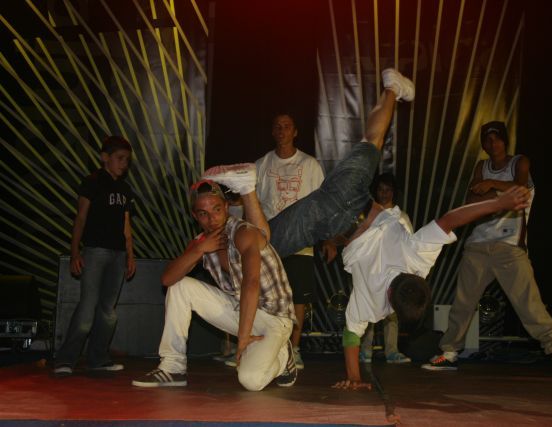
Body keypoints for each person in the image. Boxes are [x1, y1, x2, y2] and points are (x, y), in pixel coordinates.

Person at [199, 71, 529, 392]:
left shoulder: (419, 262)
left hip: (353, 197)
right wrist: (354, 376)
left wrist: (499, 203)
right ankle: (247, 187)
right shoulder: (375, 305)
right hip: (328, 220)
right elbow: (351, 336)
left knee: (372, 139)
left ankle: (391, 88)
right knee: (263, 243)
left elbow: (450, 220)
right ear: (392, 305)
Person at [422, 121, 552, 380]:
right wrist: (495, 193)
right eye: (487, 139)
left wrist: (490, 185)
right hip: (478, 244)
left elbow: (520, 190)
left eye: (496, 138)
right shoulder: (481, 166)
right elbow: (471, 201)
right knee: (463, 302)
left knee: (529, 304)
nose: (492, 143)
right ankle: (449, 353)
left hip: (509, 246)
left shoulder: (519, 162)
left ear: (505, 140)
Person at [131, 176, 298, 390]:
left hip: (273, 317)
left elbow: (251, 284)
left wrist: (243, 338)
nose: (212, 219)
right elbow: (167, 279)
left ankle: (283, 356)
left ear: (226, 207)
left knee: (251, 381)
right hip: (241, 310)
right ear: (195, 216)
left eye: (217, 209)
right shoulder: (202, 242)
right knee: (180, 286)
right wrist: (200, 249)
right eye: (203, 213)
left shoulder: (244, 233)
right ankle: (173, 367)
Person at [54, 136, 136, 376]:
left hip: (118, 254)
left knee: (108, 310)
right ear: (105, 157)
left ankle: (98, 358)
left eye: (127, 160)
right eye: (120, 158)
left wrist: (130, 255)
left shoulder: (125, 189)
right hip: (95, 251)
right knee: (87, 309)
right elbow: (80, 218)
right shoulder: (92, 182)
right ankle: (65, 360)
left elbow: (126, 225)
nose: (124, 164)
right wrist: (75, 252)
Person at [255, 112, 325, 369]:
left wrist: (326, 238)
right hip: (269, 239)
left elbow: (320, 204)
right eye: (277, 126)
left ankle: (294, 350)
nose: (282, 130)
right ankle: (264, 348)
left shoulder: (310, 165)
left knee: (298, 297)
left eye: (287, 126)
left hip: (300, 239)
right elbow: (253, 204)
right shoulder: (261, 164)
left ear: (295, 132)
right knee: (267, 296)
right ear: (272, 132)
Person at [358, 173, 412, 364]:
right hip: (371, 269)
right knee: (369, 310)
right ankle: (365, 351)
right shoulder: (369, 214)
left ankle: (392, 351)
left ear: (394, 192)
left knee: (391, 311)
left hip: (393, 271)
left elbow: (409, 243)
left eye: (388, 190)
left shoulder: (401, 216)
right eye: (381, 189)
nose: (384, 193)